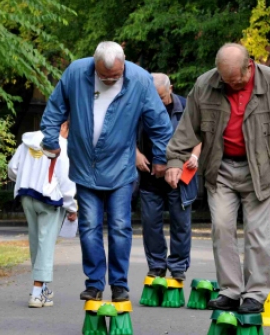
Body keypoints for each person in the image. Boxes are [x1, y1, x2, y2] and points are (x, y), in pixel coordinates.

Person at [165, 43, 270, 313]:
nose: (231, 85)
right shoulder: (205, 85)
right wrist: (174, 161)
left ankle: (255, 293)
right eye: (225, 80)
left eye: (236, 80)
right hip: (221, 169)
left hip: (260, 170)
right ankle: (230, 290)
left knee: (258, 234)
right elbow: (187, 128)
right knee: (222, 229)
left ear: (249, 66)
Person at [40, 41, 172, 302]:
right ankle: (94, 283)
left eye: (116, 75)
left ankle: (120, 284)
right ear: (94, 64)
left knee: (120, 226)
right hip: (85, 165)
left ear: (124, 63)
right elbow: (55, 108)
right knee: (89, 226)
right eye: (104, 76)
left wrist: (160, 157)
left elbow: (159, 122)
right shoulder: (76, 73)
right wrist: (50, 141)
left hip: (121, 166)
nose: (111, 80)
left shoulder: (140, 79)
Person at [136, 73, 201, 281]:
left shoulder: (186, 106)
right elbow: (124, 133)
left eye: (161, 97)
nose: (158, 103)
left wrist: (194, 156)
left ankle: (178, 266)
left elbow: (199, 135)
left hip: (180, 176)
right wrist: (135, 153)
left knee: (180, 222)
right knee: (150, 223)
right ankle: (156, 265)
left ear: (170, 88)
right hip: (148, 175)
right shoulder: (138, 105)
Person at [8, 121, 77, 308]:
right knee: (46, 243)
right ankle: (37, 292)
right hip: (49, 199)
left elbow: (13, 168)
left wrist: (26, 177)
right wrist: (72, 207)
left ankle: (43, 287)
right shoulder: (61, 145)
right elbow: (66, 180)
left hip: (26, 194)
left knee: (35, 242)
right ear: (65, 126)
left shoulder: (28, 140)